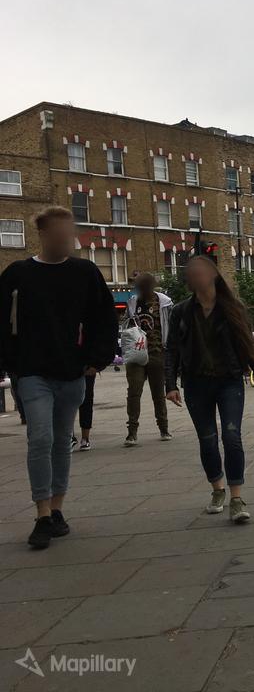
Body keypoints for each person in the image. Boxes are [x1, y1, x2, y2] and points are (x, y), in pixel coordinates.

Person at [0, 207, 118, 549]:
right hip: (32, 371)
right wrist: (11, 363)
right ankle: (41, 515)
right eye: (61, 232)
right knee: (40, 437)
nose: (68, 238)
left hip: (72, 373)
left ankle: (56, 509)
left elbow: (103, 318)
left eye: (70, 232)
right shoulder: (18, 274)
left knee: (61, 440)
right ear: (43, 234)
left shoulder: (85, 272)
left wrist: (96, 360)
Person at [164, 255, 254, 524]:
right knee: (207, 439)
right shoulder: (181, 311)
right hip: (196, 383)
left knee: (232, 436)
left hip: (229, 381)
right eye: (192, 273)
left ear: (214, 275)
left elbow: (245, 344)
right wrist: (170, 385)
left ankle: (236, 499)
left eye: (201, 272)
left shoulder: (232, 307)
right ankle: (217, 489)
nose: (196, 277)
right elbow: (172, 349)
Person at [124, 273, 174, 446]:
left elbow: (171, 326)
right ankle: (132, 432)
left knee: (158, 393)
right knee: (134, 392)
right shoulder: (132, 303)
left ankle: (164, 428)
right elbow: (126, 325)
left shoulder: (164, 303)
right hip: (136, 354)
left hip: (157, 352)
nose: (142, 289)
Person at [77, 374, 96, 451]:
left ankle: (85, 438)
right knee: (66, 401)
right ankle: (70, 436)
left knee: (86, 398)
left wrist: (96, 368)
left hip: (86, 370)